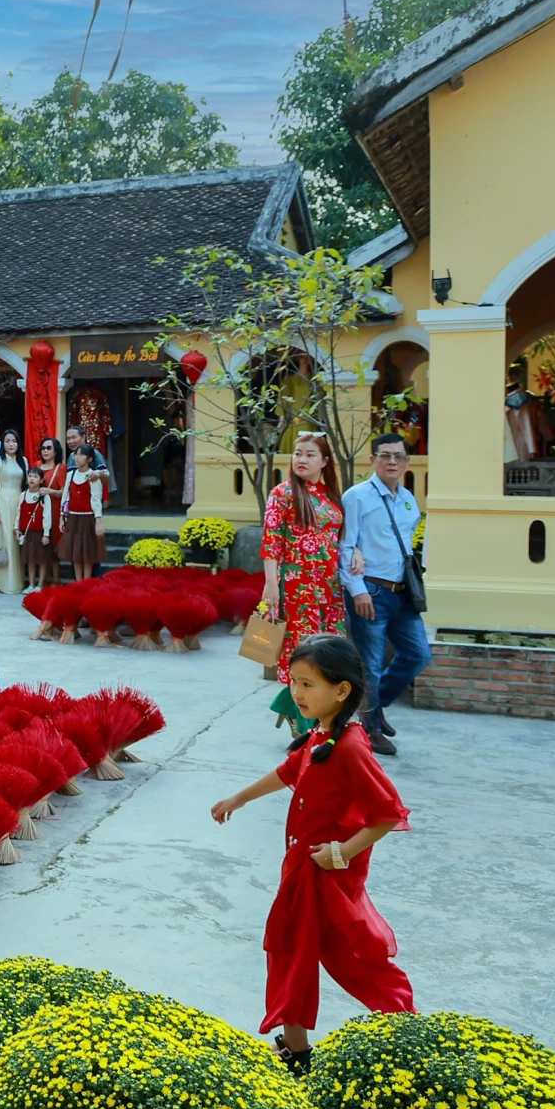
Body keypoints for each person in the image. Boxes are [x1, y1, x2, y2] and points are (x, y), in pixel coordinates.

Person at [210, 633, 413, 1076]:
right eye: (294, 682)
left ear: (342, 691)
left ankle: (405, 1025)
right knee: (289, 950)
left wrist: (342, 852)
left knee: (354, 955)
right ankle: (296, 1050)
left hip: (328, 873)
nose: (296, 694)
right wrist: (238, 799)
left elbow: (388, 814)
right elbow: (287, 771)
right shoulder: (321, 734)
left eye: (307, 685)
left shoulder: (352, 747)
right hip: (302, 867)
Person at [339, 433, 429, 758]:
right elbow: (345, 545)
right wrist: (358, 590)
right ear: (373, 459)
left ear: (406, 462)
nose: (393, 462)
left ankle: (374, 708)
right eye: (386, 455)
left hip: (403, 592)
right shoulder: (357, 497)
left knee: (418, 655)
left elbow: (409, 544)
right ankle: (370, 729)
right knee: (371, 665)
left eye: (399, 457)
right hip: (371, 591)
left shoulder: (408, 500)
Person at [261, 433, 347, 738]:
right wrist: (271, 584)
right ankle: (308, 723)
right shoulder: (283, 493)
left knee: (329, 653)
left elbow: (342, 538)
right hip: (297, 586)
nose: (301, 459)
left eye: (310, 455)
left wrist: (357, 553)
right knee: (304, 653)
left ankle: (290, 707)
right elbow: (271, 541)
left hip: (329, 588)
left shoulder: (330, 496)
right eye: (298, 453)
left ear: (324, 462)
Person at [0, 428, 27, 595]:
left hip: (19, 501)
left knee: (16, 539)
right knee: (3, 540)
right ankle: (2, 584)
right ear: (3, 444)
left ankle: (17, 583)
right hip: (2, 501)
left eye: (14, 441)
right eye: (7, 441)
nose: (11, 444)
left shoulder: (23, 461)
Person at [59, 444, 105, 581]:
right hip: (73, 518)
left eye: (81, 455)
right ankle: (78, 582)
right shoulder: (71, 474)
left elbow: (96, 500)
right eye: (76, 454)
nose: (77, 457)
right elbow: (65, 496)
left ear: (90, 459)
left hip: (87, 519)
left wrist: (98, 521)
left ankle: (86, 582)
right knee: (76, 553)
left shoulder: (93, 476)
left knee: (87, 554)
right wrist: (62, 516)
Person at [16, 466, 55, 595]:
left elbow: (47, 515)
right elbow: (18, 513)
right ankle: (31, 584)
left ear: (41, 480)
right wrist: (16, 528)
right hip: (28, 533)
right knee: (30, 559)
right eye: (30, 476)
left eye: (35, 476)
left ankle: (40, 584)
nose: (32, 479)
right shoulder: (23, 495)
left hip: (40, 532)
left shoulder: (44, 496)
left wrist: (46, 534)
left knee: (42, 559)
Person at [36, 437, 67, 585]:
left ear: (56, 451)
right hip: (37, 509)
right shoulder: (36, 465)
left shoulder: (60, 468)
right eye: (43, 448)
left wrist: (50, 491)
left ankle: (56, 578)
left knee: (54, 545)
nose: (45, 451)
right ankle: (43, 578)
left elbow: (64, 493)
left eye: (49, 448)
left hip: (54, 511)